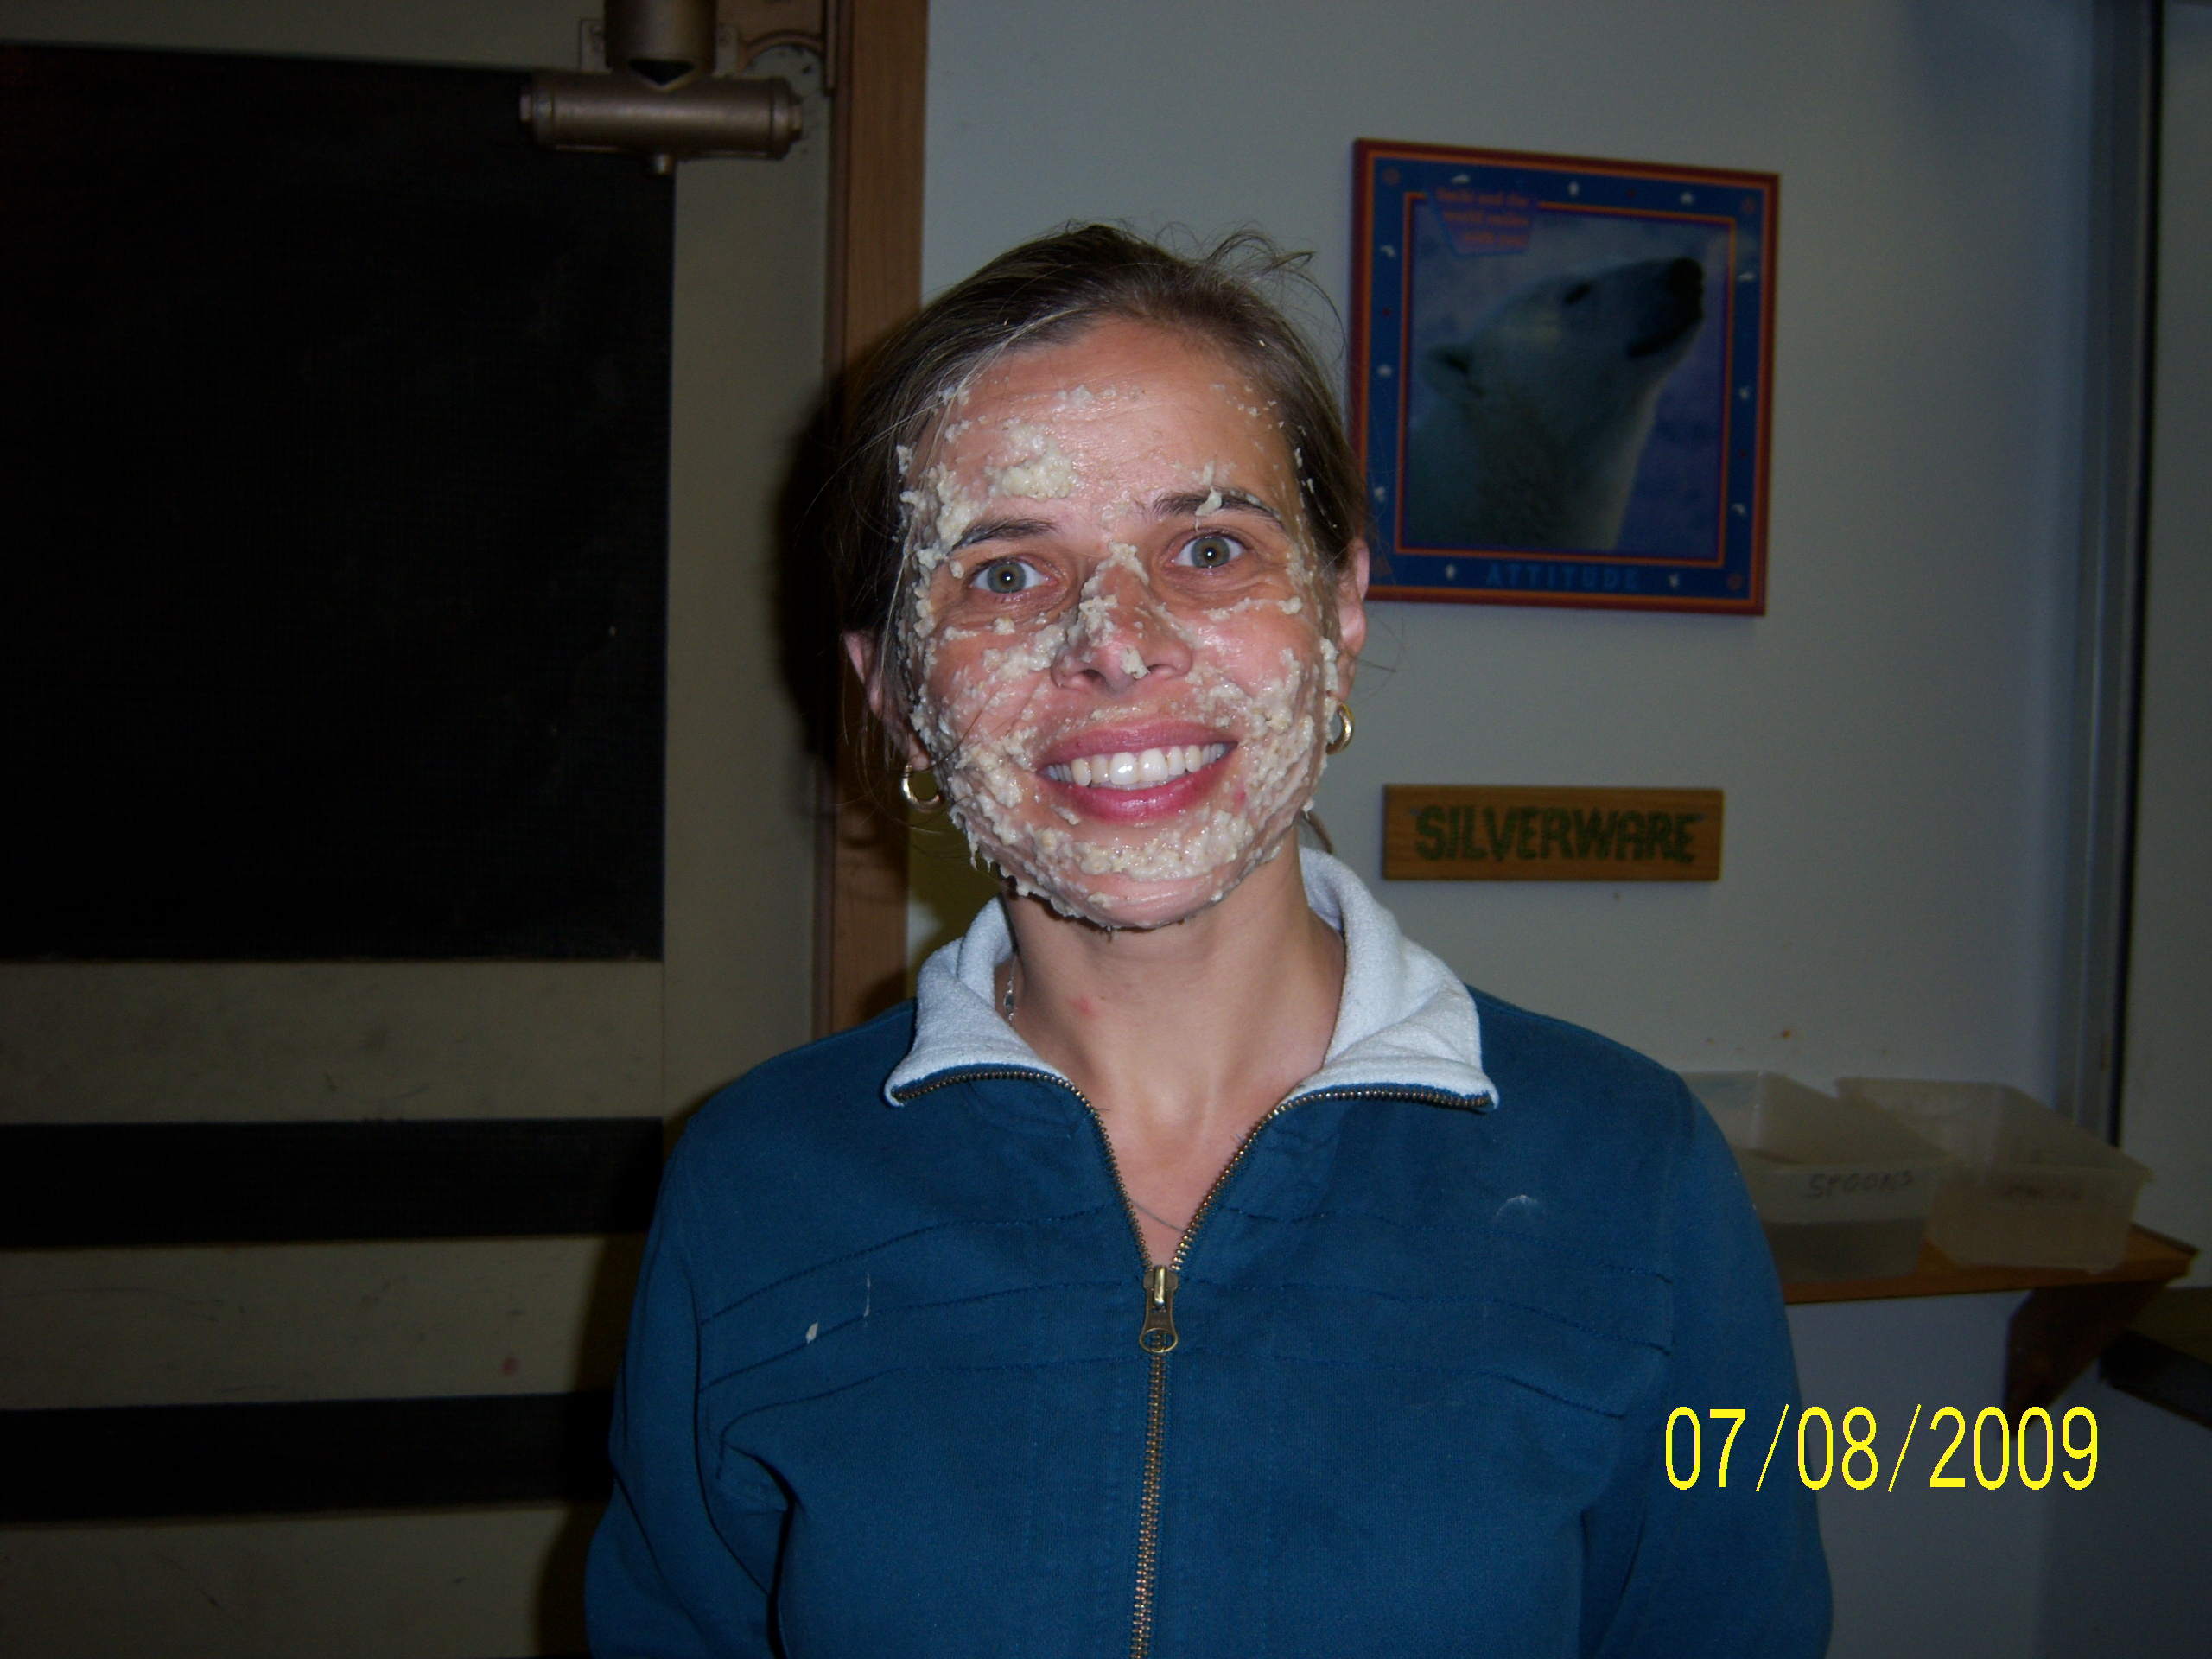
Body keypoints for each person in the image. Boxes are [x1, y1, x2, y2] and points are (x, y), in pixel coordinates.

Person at [586, 226, 1829, 1657]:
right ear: (896, 694)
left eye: (1210, 546)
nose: (1118, 643)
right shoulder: (757, 1184)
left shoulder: (1637, 1175)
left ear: (1340, 611)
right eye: (1005, 574)